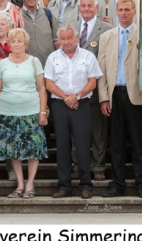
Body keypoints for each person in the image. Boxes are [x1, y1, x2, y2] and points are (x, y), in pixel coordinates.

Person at [97, 0, 142, 198]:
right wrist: (103, 98)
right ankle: (117, 183)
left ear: (134, 11)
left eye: (128, 9)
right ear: (116, 11)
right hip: (114, 94)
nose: (124, 13)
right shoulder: (107, 37)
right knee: (116, 142)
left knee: (138, 141)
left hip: (135, 95)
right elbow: (101, 69)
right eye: (121, 9)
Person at [44, 23, 103, 199]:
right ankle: (64, 186)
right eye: (63, 38)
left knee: (83, 145)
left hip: (82, 104)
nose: (66, 41)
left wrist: (76, 96)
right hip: (60, 105)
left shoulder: (88, 56)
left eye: (69, 37)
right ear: (59, 39)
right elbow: (49, 83)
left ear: (76, 38)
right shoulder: (53, 57)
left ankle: (86, 185)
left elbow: (93, 82)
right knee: (62, 145)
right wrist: (66, 97)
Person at [0, 27, 48, 199]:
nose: (16, 44)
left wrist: (42, 112)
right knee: (13, 150)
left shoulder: (34, 61)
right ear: (9, 44)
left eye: (19, 41)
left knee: (33, 149)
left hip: (31, 111)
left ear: (25, 44)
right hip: (8, 112)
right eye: (13, 41)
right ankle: (20, 184)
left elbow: (42, 88)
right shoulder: (3, 64)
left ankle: (30, 185)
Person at [74, 0, 113, 181]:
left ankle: (98, 165)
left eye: (90, 5)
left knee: (98, 130)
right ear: (79, 7)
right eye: (83, 5)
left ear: (97, 7)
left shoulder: (106, 29)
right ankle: (77, 164)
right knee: (76, 130)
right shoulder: (71, 28)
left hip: (97, 88)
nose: (86, 8)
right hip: (74, 89)